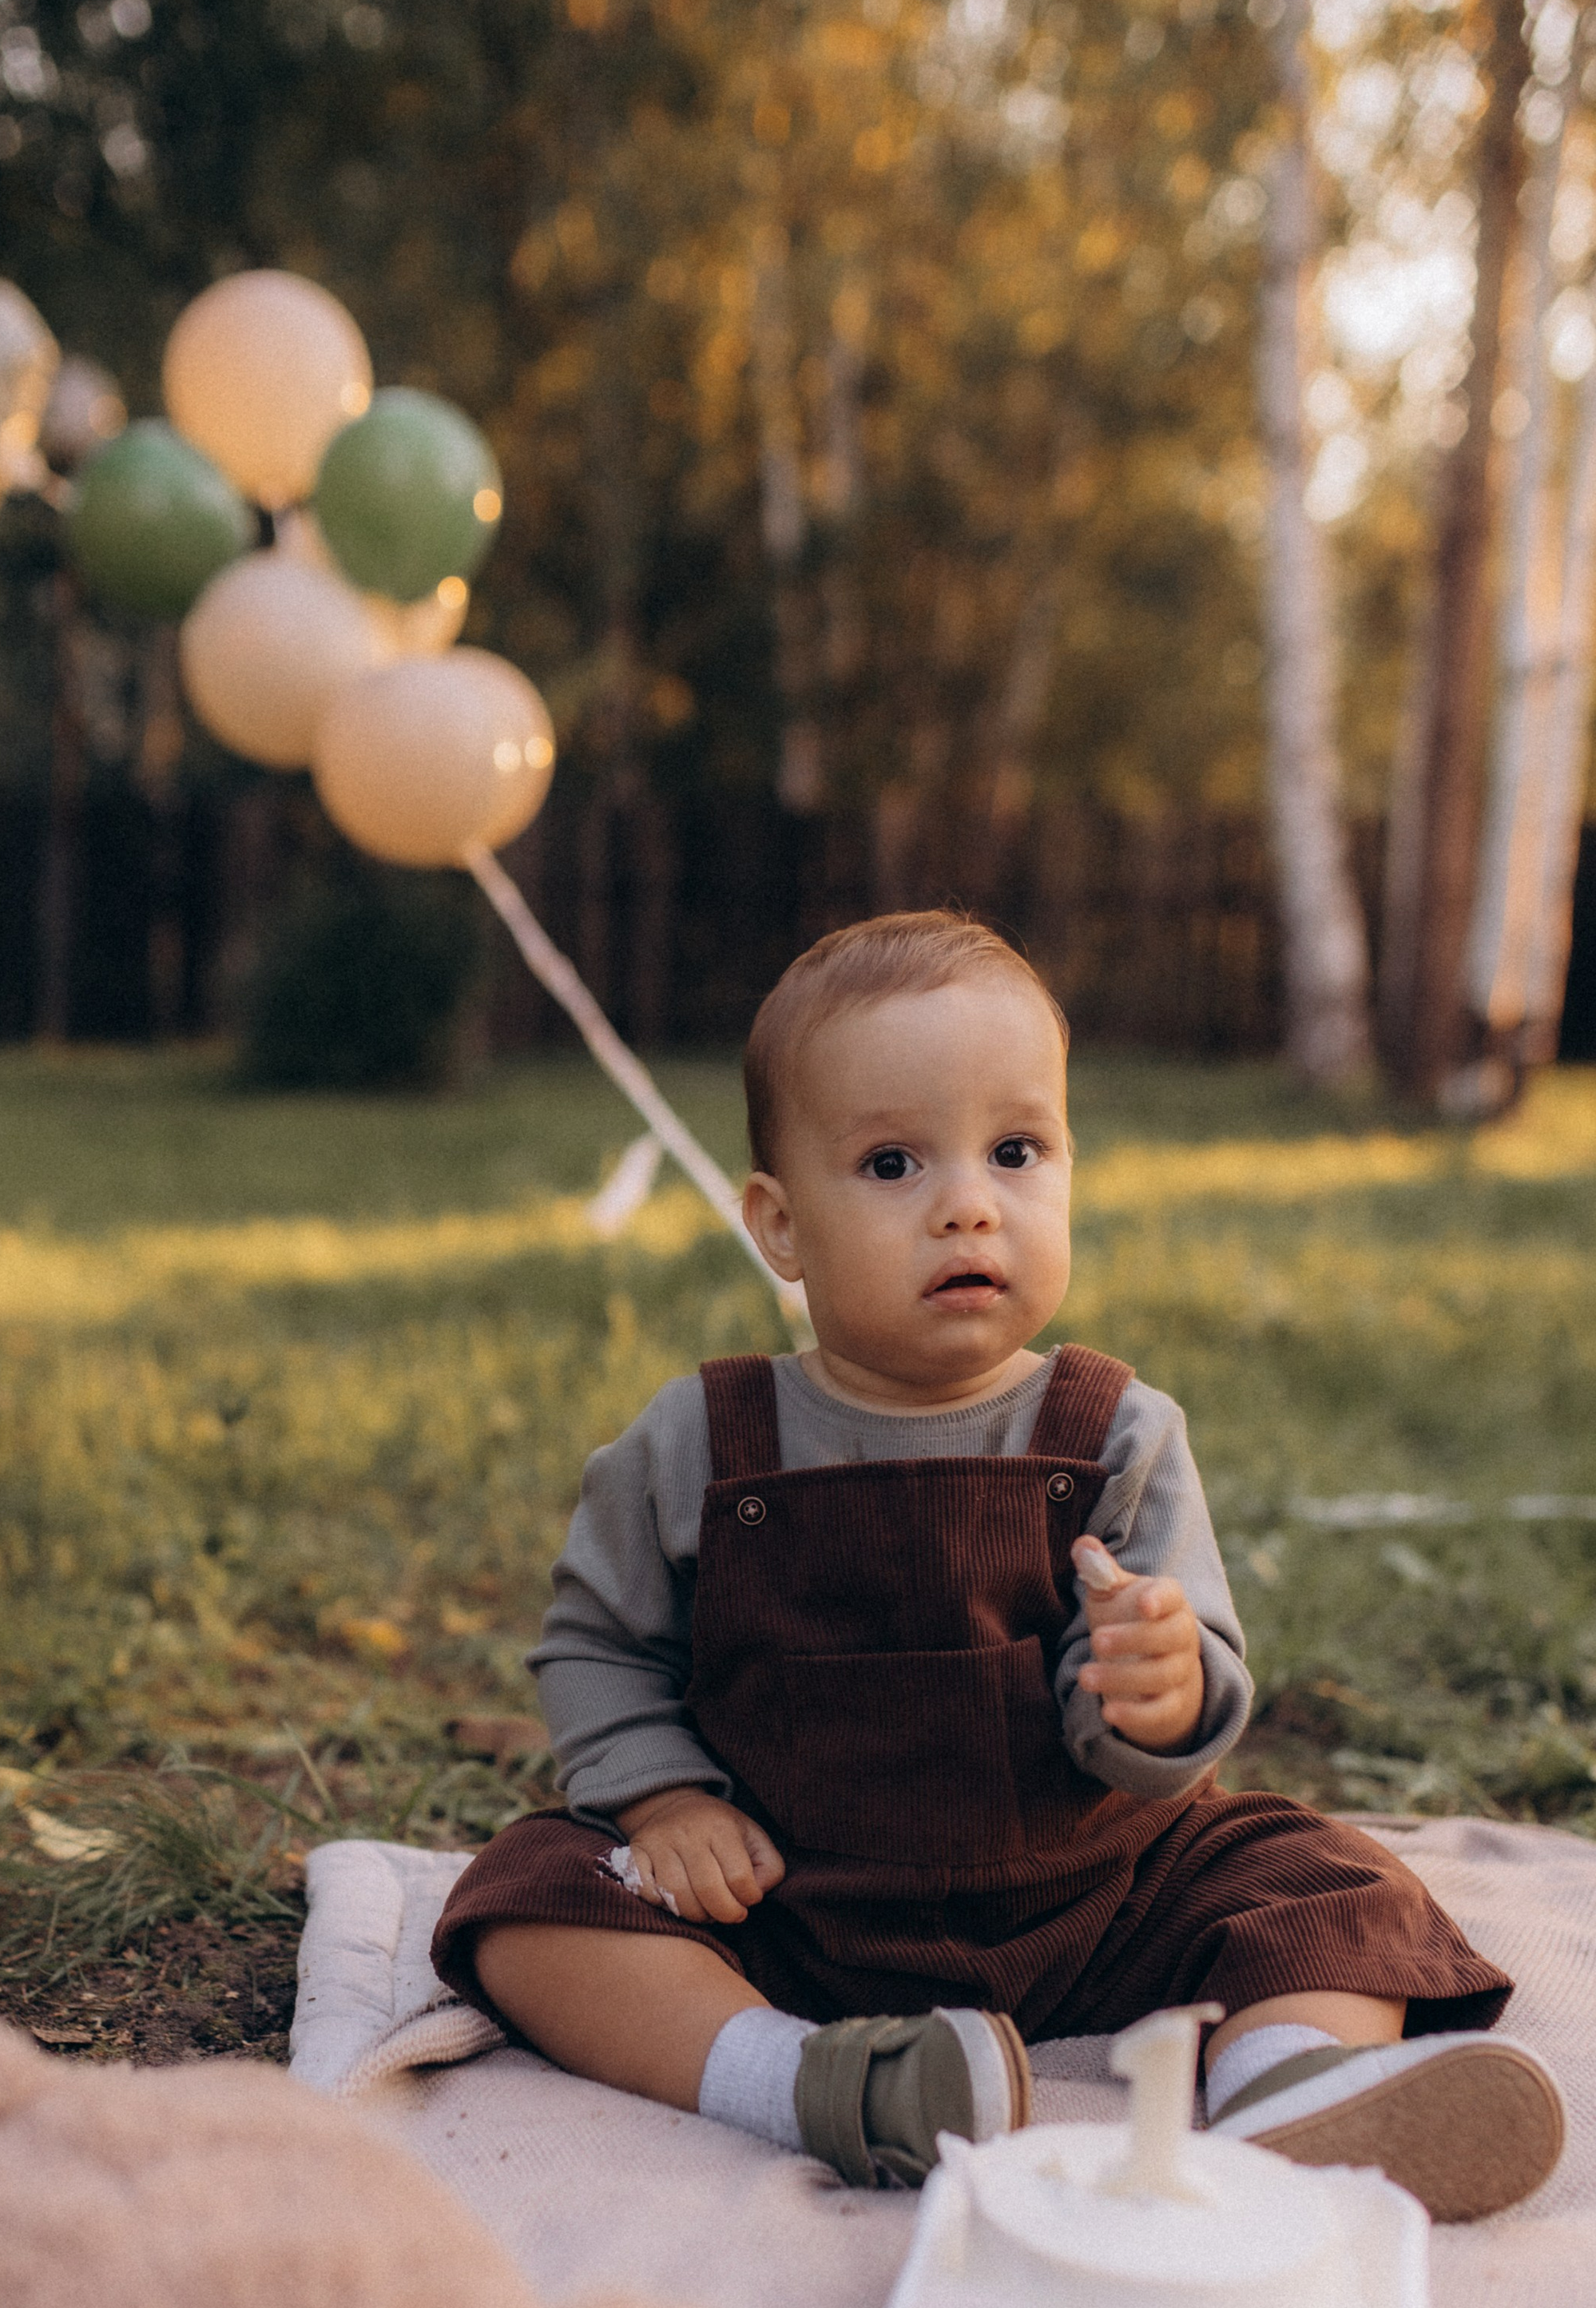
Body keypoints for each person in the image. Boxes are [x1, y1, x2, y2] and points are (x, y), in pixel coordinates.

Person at [431, 911, 1565, 2222]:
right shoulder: (701, 1441)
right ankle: (817, 2080)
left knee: (1325, 1882)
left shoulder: (1117, 1430)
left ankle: (1287, 2090)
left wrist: (1160, 1689)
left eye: (1017, 1150)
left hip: (1103, 1898)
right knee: (527, 1897)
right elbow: (597, 1643)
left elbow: (1188, 1679)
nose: (969, 1202)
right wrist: (666, 1802)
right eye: (893, 1162)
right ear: (780, 1227)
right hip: (789, 1905)